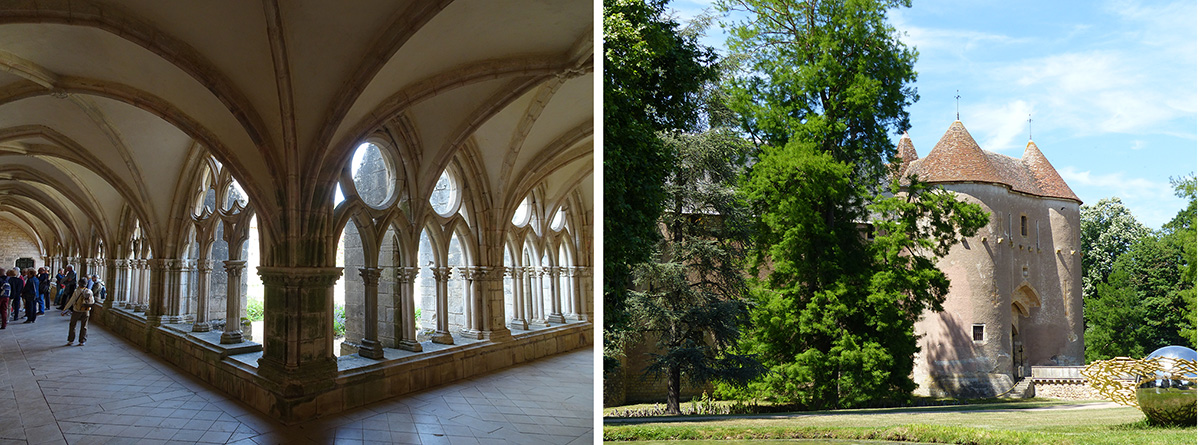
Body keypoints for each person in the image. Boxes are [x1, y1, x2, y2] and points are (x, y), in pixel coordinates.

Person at [63, 278, 94, 346]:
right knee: (84, 326)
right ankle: (82, 341)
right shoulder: (89, 291)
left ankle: (71, 340)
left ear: (79, 284)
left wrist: (64, 309)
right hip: (86, 310)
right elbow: (92, 301)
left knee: (73, 325)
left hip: (77, 310)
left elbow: (71, 301)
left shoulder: (76, 291)